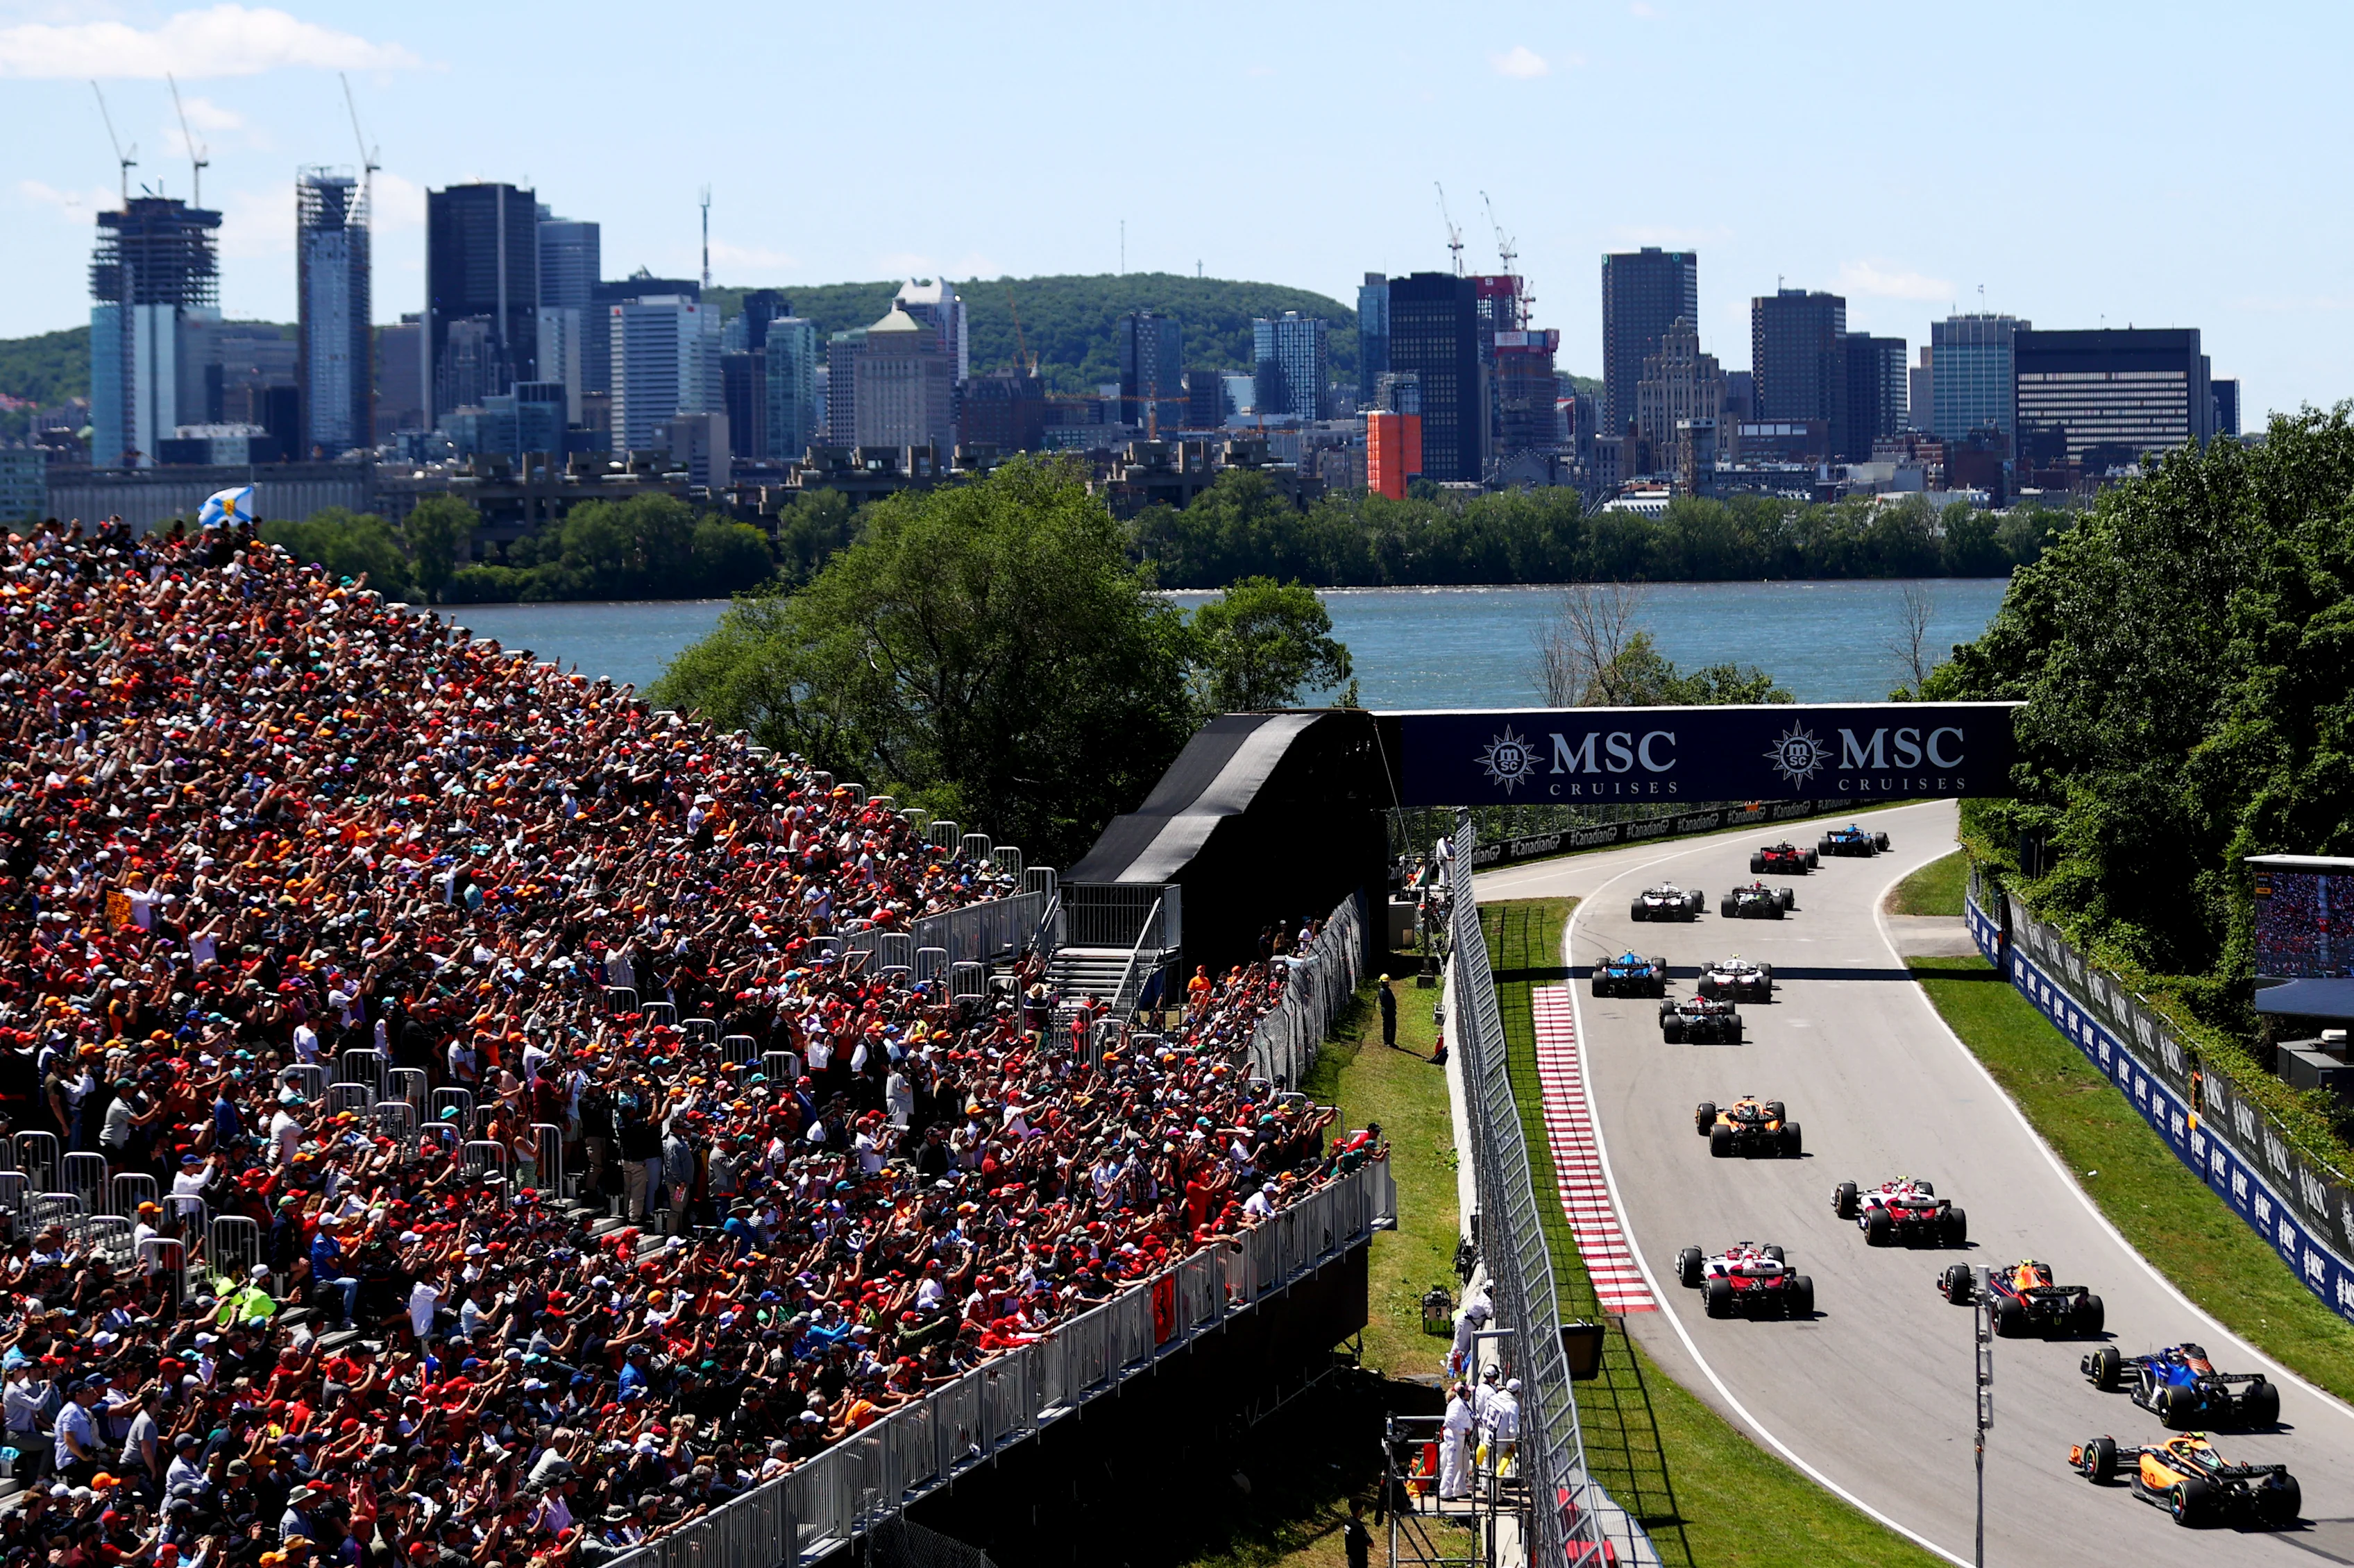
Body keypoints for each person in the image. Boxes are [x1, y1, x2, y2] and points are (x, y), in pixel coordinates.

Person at [1438, 1382, 1475, 1501]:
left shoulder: (1463, 1404)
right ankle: (1444, 1492)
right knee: (1453, 1465)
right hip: (1455, 1439)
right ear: (1462, 1391)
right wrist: (1463, 1431)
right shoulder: (1456, 1405)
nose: (1470, 1393)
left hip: (1462, 1440)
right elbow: (1450, 1422)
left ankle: (1460, 1489)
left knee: (1463, 1463)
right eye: (1468, 1391)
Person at [1377, 975, 1398, 1048]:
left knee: (1393, 1027)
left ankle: (1392, 1041)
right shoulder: (1382, 991)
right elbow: (1386, 1002)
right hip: (1387, 1011)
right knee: (1387, 1026)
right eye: (1386, 982)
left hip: (1391, 1011)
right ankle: (1387, 1041)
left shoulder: (1388, 990)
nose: (1388, 983)